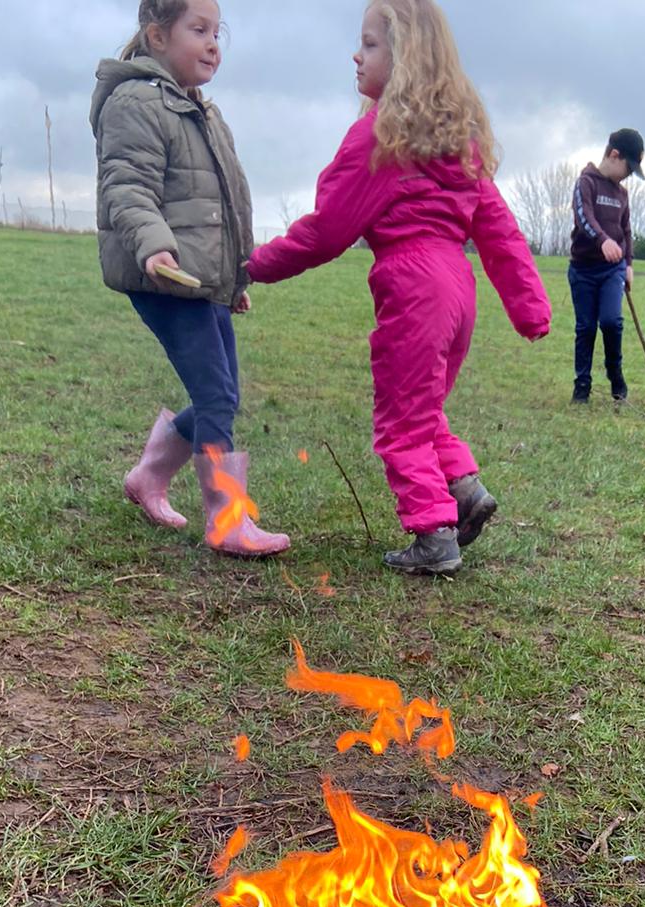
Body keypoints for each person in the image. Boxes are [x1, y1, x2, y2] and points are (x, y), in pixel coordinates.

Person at [245, 0, 551, 578]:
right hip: (459, 293)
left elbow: (327, 231)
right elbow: (499, 230)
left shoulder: (379, 141)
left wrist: (256, 265)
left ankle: (434, 533)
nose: (356, 56)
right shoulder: (458, 145)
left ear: (405, 56)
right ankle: (463, 488)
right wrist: (530, 308)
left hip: (413, 287)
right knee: (423, 406)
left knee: (400, 420)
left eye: (370, 45)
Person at [90, 0, 289, 556]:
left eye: (216, 32)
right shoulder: (134, 103)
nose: (212, 44)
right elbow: (127, 186)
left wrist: (235, 279)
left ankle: (147, 478)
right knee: (216, 394)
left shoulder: (200, 109)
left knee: (220, 395)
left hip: (201, 280)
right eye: (197, 30)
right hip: (165, 277)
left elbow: (221, 205)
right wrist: (154, 245)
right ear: (156, 36)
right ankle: (227, 521)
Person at [568, 130, 645, 405]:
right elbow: (583, 217)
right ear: (614, 155)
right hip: (583, 271)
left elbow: (626, 230)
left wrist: (629, 264)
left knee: (611, 321)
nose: (628, 175)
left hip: (612, 270)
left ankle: (616, 376)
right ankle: (582, 386)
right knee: (586, 327)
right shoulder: (585, 183)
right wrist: (602, 240)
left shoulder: (622, 194)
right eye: (628, 168)